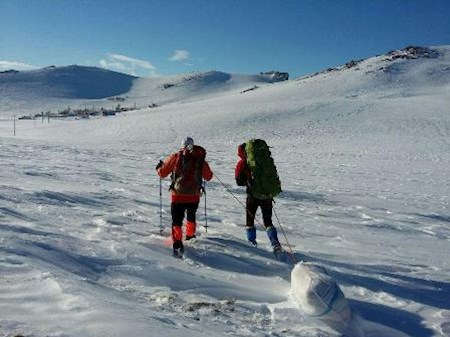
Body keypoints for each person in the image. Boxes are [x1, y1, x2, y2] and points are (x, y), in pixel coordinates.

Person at [156, 137, 213, 257]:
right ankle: (190, 235)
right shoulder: (199, 159)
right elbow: (208, 177)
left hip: (178, 195)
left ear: (182, 146)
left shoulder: (175, 157)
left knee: (177, 219)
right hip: (194, 196)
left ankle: (177, 243)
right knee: (191, 216)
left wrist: (158, 168)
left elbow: (162, 173)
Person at [235, 140, 282, 254]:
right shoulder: (264, 160)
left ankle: (252, 244)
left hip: (252, 195)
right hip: (267, 195)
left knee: (249, 221)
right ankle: (275, 243)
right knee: (268, 221)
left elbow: (239, 182)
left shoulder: (242, 163)